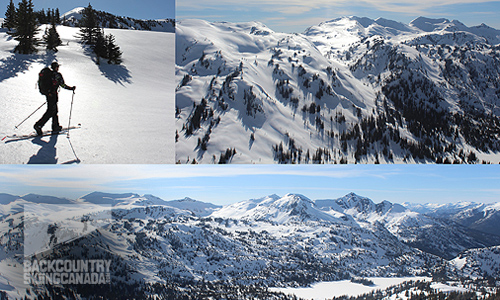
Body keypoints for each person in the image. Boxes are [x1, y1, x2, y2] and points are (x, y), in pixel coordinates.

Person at [34, 62, 76, 135]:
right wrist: (71, 88)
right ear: (56, 67)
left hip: (48, 94)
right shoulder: (57, 75)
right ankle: (38, 125)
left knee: (54, 110)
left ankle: (55, 126)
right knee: (50, 111)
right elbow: (62, 85)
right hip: (53, 95)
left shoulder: (49, 74)